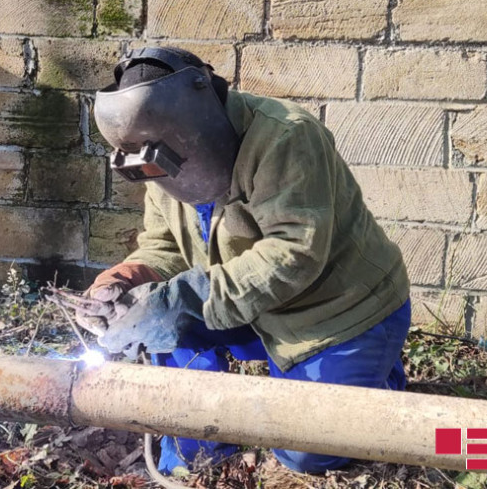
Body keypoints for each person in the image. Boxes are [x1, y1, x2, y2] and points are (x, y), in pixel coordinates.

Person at [69, 46, 411, 475]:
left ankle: (383, 383)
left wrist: (186, 297)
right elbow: (164, 246)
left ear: (199, 119)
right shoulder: (155, 150)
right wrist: (122, 281)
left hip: (336, 312)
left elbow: (294, 253)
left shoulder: (287, 136)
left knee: (304, 453)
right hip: (245, 304)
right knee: (165, 326)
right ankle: (204, 443)